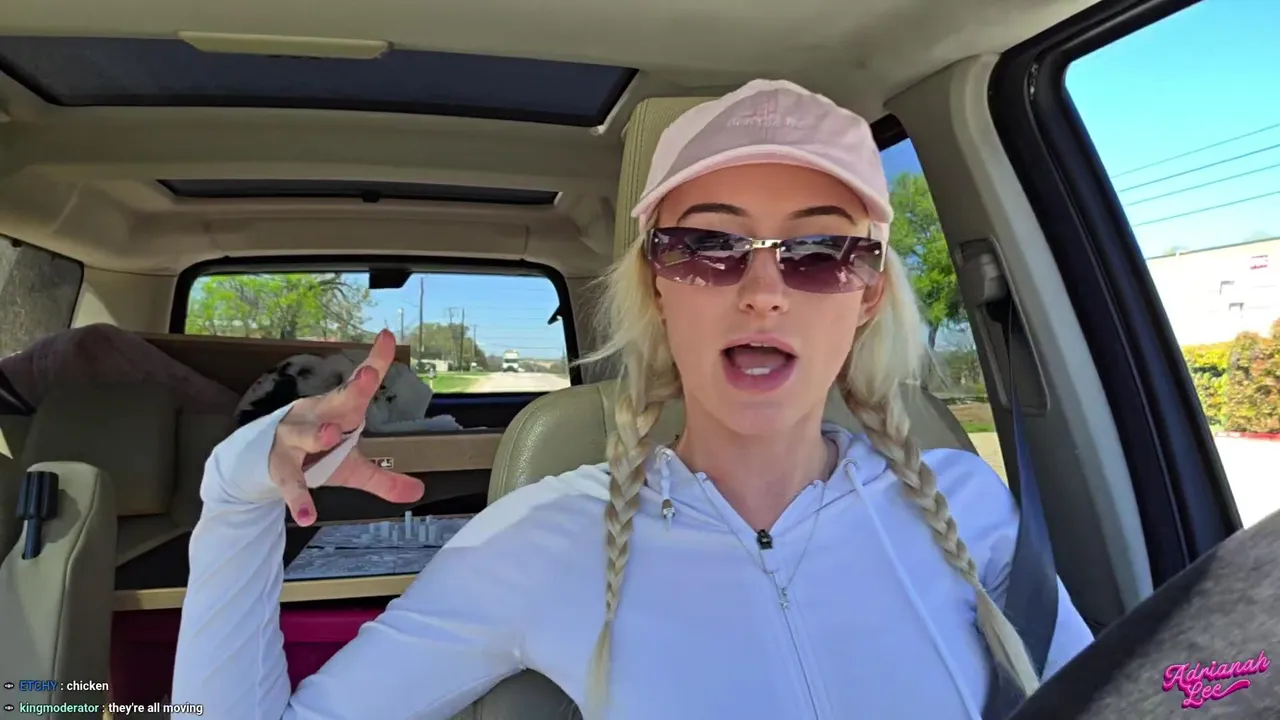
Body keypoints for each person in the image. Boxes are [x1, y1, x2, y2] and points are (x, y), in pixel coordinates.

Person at [172, 79, 1095, 719]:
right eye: (709, 247)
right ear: (658, 287)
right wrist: (239, 493)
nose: (763, 293)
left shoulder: (968, 512)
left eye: (819, 252)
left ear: (866, 296)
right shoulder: (544, 539)